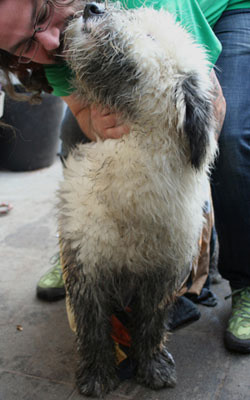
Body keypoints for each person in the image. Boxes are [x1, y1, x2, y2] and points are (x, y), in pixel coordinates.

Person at [0, 0, 249, 354]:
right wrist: (99, 124)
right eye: (25, 44)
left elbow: (208, 107)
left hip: (222, 12)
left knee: (233, 145)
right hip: (109, 34)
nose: (51, 42)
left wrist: (177, 208)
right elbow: (84, 113)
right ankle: (81, 251)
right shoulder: (51, 50)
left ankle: (245, 280)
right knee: (74, 135)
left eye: (41, 14)